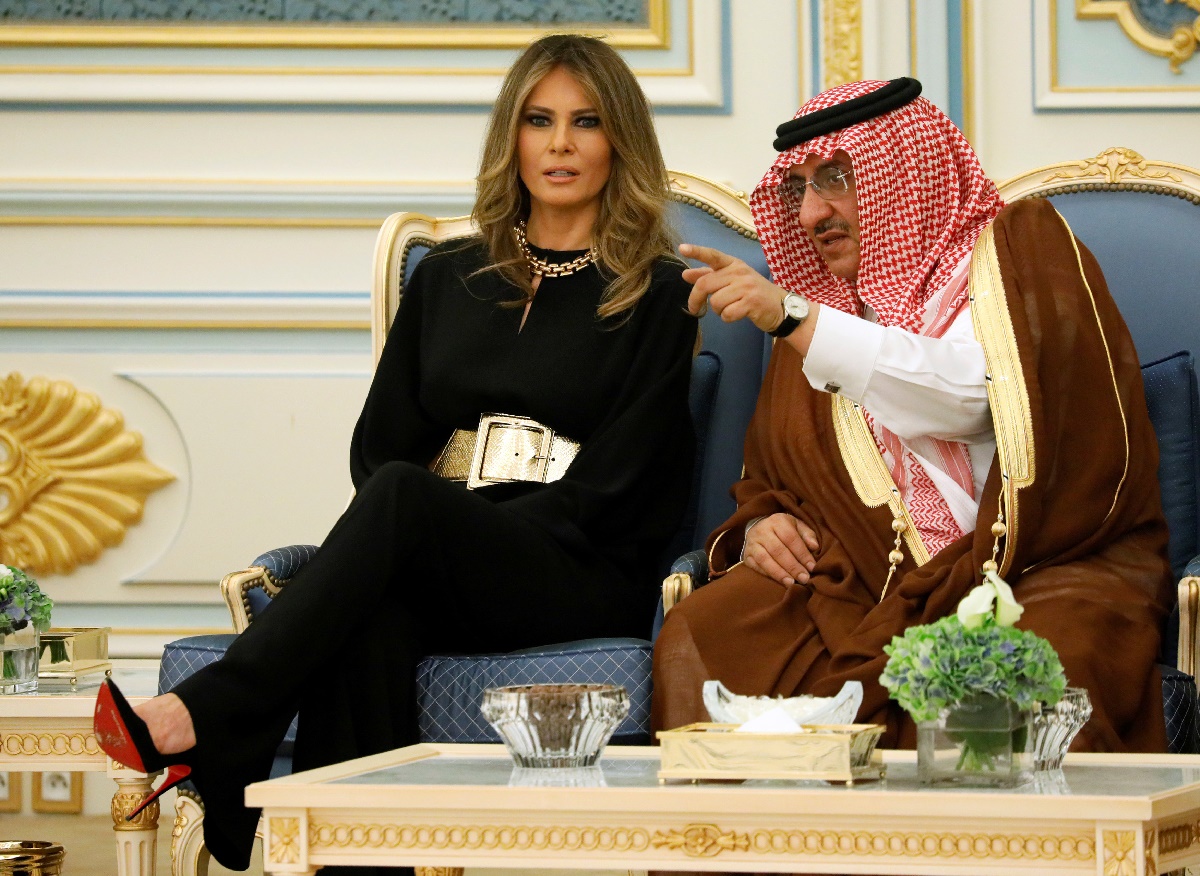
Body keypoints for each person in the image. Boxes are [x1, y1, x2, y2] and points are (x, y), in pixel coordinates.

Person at [93, 34, 698, 872]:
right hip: (436, 551)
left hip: (575, 565)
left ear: (619, 140)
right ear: (510, 138)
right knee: (371, 612)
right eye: (539, 120)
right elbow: (379, 449)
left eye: (586, 122)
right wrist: (443, 535)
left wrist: (461, 526)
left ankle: (206, 715)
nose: (560, 144)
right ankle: (356, 861)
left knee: (407, 505)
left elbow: (627, 482)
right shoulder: (448, 276)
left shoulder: (660, 292)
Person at [652, 77, 1173, 753]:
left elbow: (968, 399)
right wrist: (764, 524)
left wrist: (793, 316)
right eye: (797, 190)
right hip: (865, 581)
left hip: (1041, 566)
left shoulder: (1021, 254)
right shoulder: (818, 309)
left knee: (1039, 676)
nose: (811, 214)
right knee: (706, 633)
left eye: (835, 178)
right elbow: (780, 472)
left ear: (902, 171)